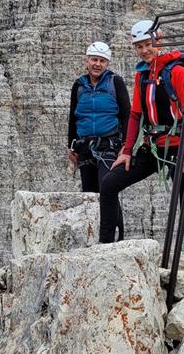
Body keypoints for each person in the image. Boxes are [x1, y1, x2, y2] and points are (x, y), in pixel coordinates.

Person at [99, 20, 184, 252]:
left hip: (178, 146)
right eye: (139, 46)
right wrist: (127, 151)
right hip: (154, 147)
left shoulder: (176, 72)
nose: (144, 50)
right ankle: (104, 248)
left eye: (148, 44)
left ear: (160, 41)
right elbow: (136, 115)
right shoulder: (143, 75)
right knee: (109, 184)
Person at [67, 41, 130, 238]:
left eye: (102, 61)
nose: (97, 64)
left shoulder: (115, 82)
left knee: (107, 189)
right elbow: (73, 116)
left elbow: (127, 114)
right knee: (90, 194)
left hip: (109, 146)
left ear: (107, 63)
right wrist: (71, 146)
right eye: (94, 59)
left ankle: (115, 237)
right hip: (84, 146)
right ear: (86, 61)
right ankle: (93, 237)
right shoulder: (79, 85)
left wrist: (126, 145)